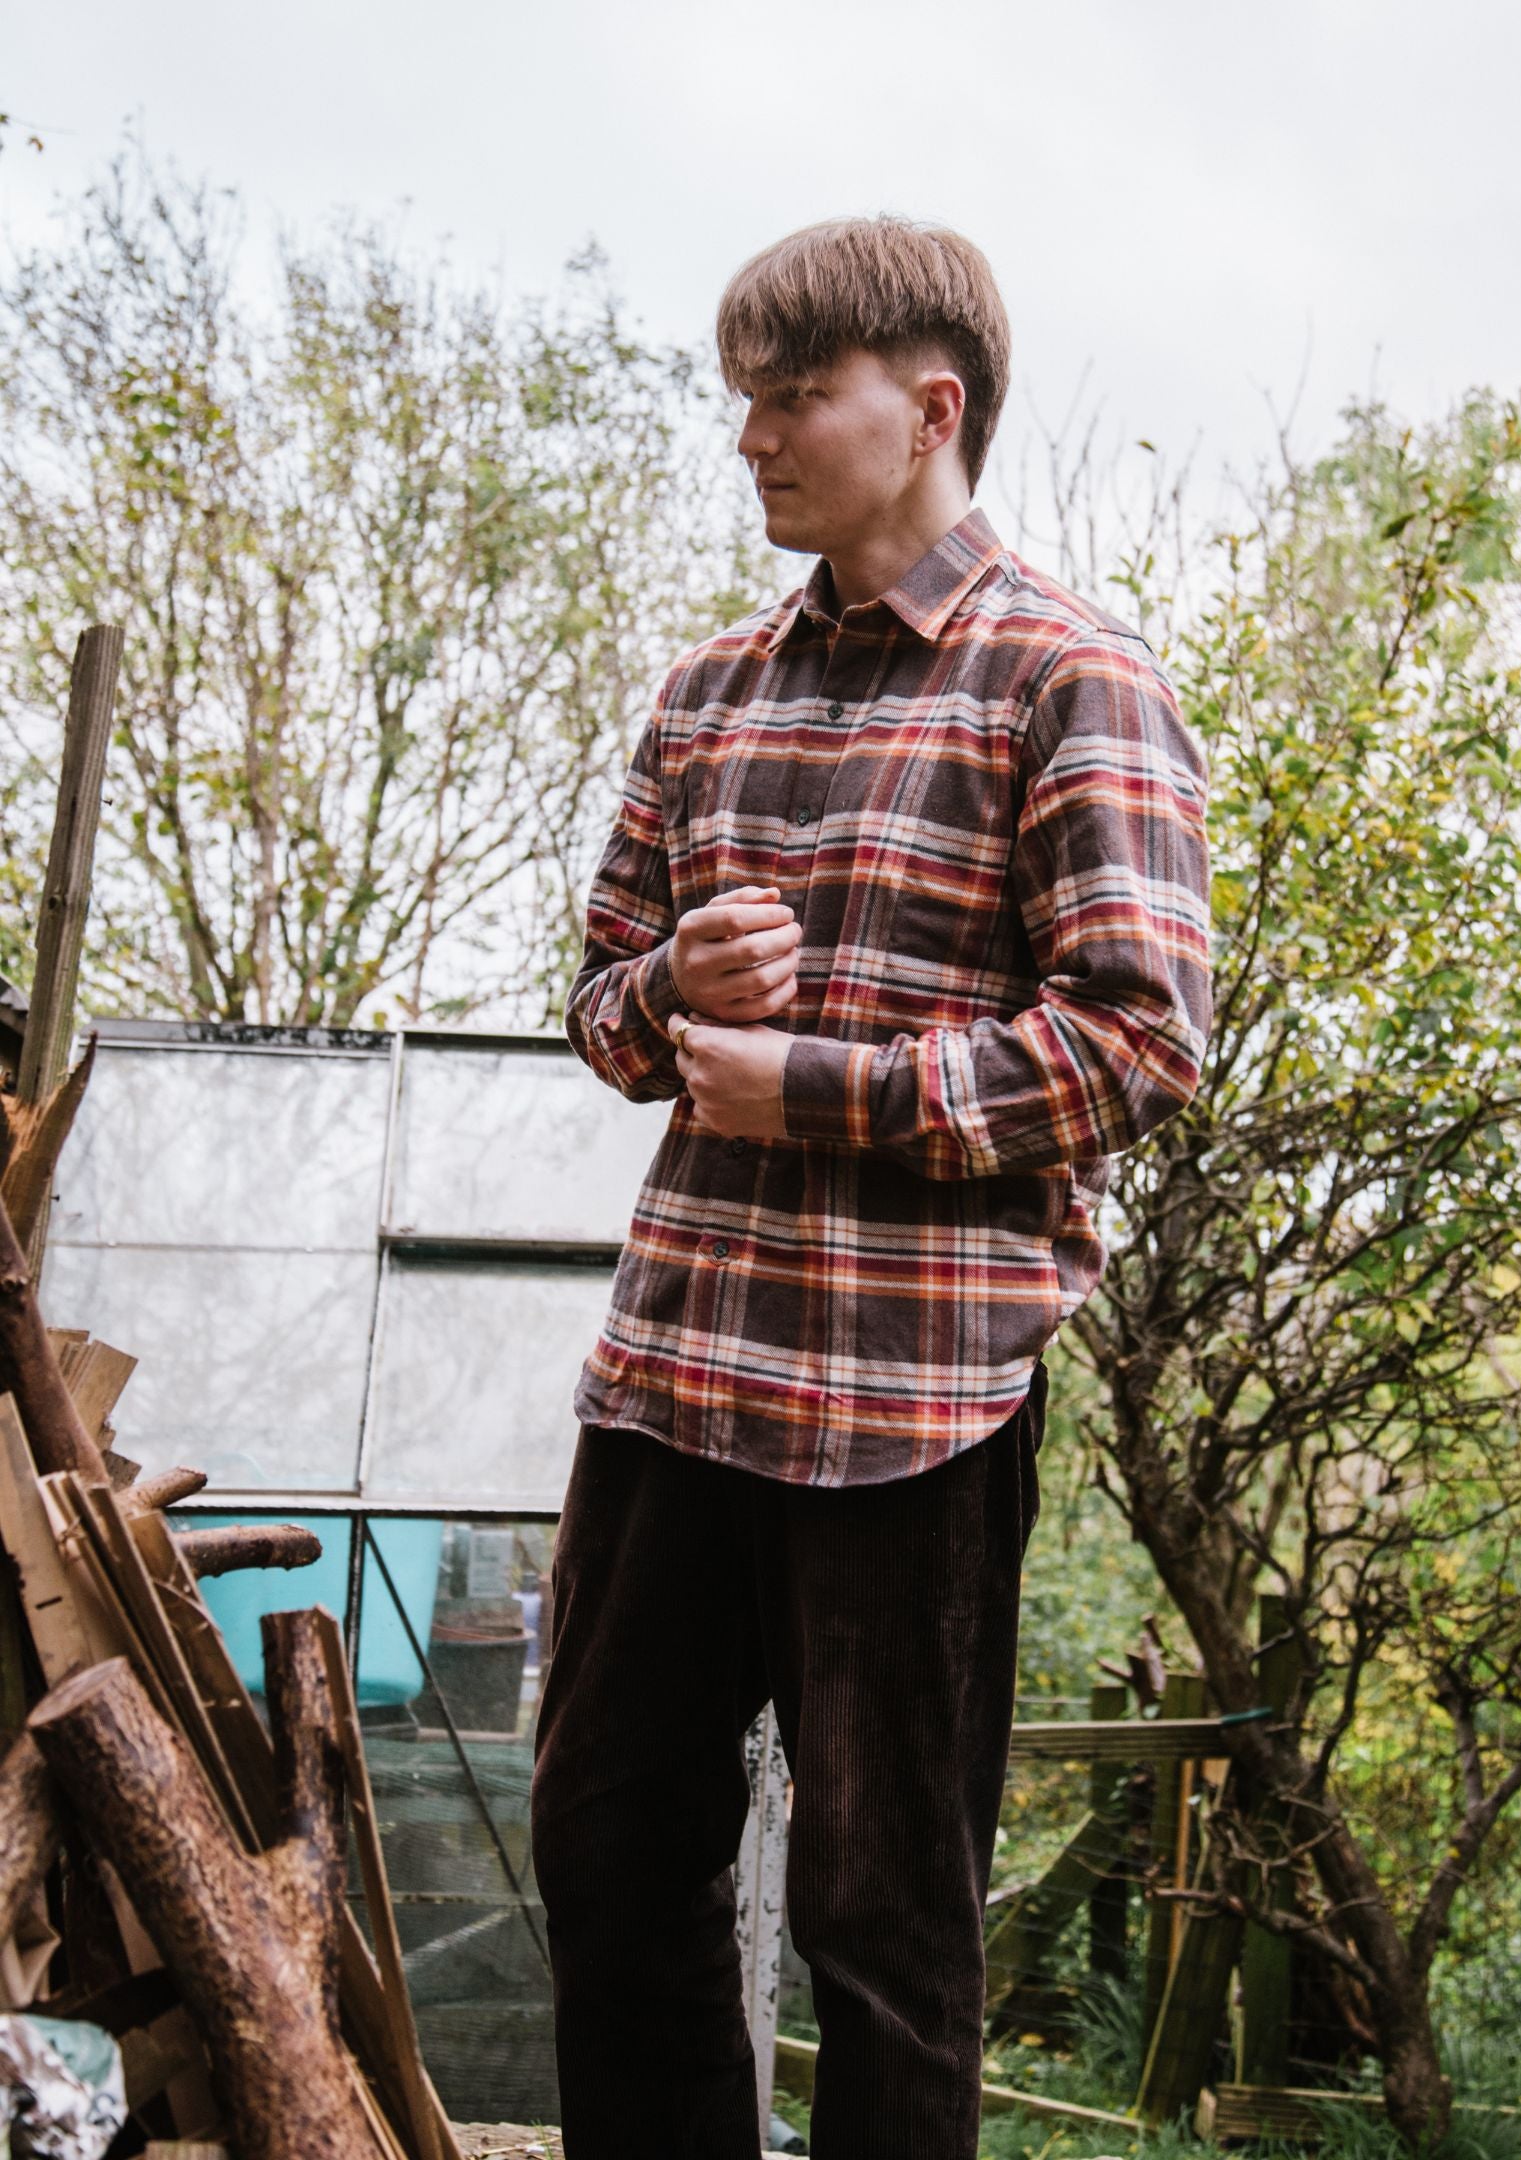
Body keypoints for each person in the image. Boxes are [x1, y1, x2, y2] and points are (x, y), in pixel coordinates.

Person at [530, 215, 1212, 2160]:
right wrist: (674, 986)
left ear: (929, 409)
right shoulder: (704, 694)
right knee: (606, 1856)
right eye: (740, 397)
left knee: (885, 1933)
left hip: (913, 1412)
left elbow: (1140, 1045)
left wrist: (816, 1089)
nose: (749, 434)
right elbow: (601, 1010)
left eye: (790, 395)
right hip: (676, 1378)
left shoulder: (1072, 683)